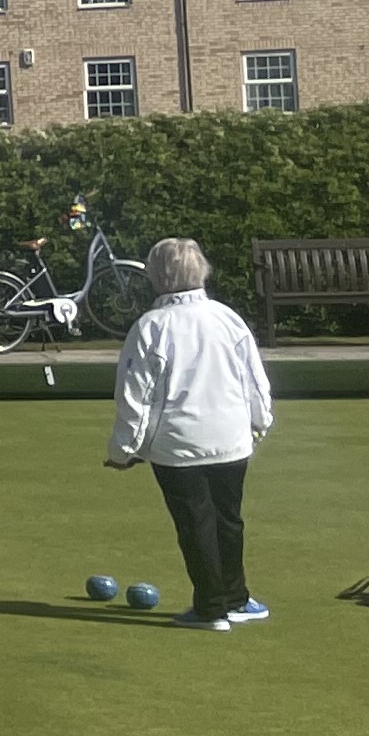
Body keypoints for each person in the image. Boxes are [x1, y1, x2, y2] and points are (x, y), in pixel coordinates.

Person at [106, 238, 275, 629]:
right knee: (228, 520)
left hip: (178, 447)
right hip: (232, 440)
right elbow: (255, 378)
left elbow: (135, 397)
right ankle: (237, 599)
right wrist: (260, 421)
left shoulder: (149, 327)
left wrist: (122, 451)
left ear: (155, 275)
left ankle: (211, 610)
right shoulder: (227, 317)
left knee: (196, 523)